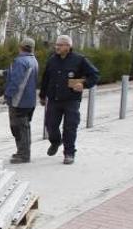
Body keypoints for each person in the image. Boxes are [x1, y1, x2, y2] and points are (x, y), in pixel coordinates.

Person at [39, 35, 100, 165]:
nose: (57, 47)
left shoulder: (79, 60)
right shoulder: (52, 60)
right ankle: (55, 141)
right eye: (56, 45)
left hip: (71, 100)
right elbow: (45, 79)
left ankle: (69, 153)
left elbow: (94, 75)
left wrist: (84, 84)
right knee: (50, 125)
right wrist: (43, 96)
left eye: (60, 45)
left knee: (70, 127)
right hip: (54, 99)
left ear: (68, 46)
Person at [3, 38, 39, 164]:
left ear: (21, 47)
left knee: (18, 127)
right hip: (30, 100)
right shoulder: (33, 60)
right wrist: (4, 73)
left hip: (19, 100)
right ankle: (23, 152)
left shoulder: (20, 61)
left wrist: (6, 96)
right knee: (25, 127)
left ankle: (23, 154)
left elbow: (16, 81)